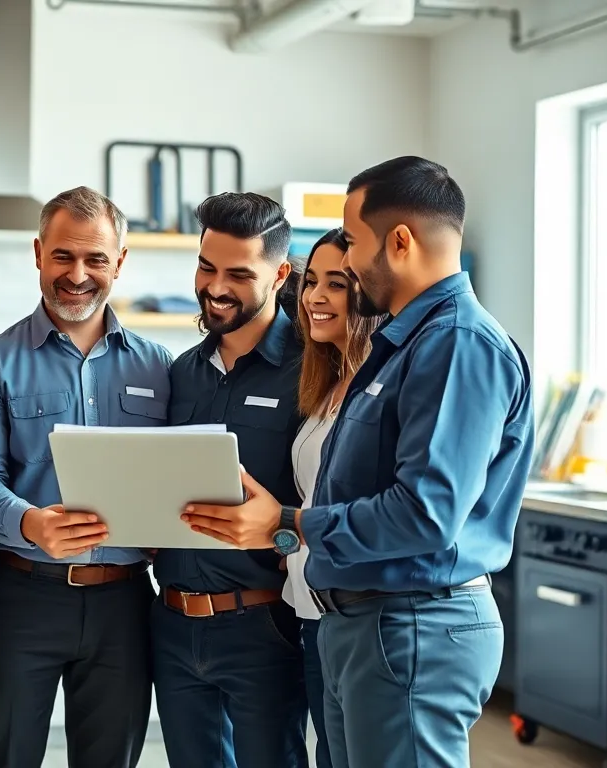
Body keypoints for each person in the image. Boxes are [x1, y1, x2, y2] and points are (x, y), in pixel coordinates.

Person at [181, 156, 535, 768]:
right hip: (363, 621)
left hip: (415, 621)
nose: (344, 259)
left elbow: (425, 515)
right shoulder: (404, 344)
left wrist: (287, 523)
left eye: (351, 240)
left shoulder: (456, 344)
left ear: (398, 242)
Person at [0, 186, 173, 768]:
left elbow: (175, 472)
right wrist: (29, 522)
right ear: (37, 253)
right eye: (63, 256)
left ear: (120, 263)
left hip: (124, 603)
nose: (77, 274)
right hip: (22, 595)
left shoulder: (160, 365)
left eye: (96, 259)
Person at [151, 192, 308, 768]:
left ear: (281, 273)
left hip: (263, 626)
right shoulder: (180, 373)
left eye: (239, 275)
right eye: (206, 267)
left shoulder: (311, 372)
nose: (216, 287)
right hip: (171, 623)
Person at [284, 226, 384, 768]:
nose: (315, 297)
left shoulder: (379, 385)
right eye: (311, 282)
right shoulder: (327, 383)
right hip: (311, 608)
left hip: (353, 612)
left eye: (337, 284)